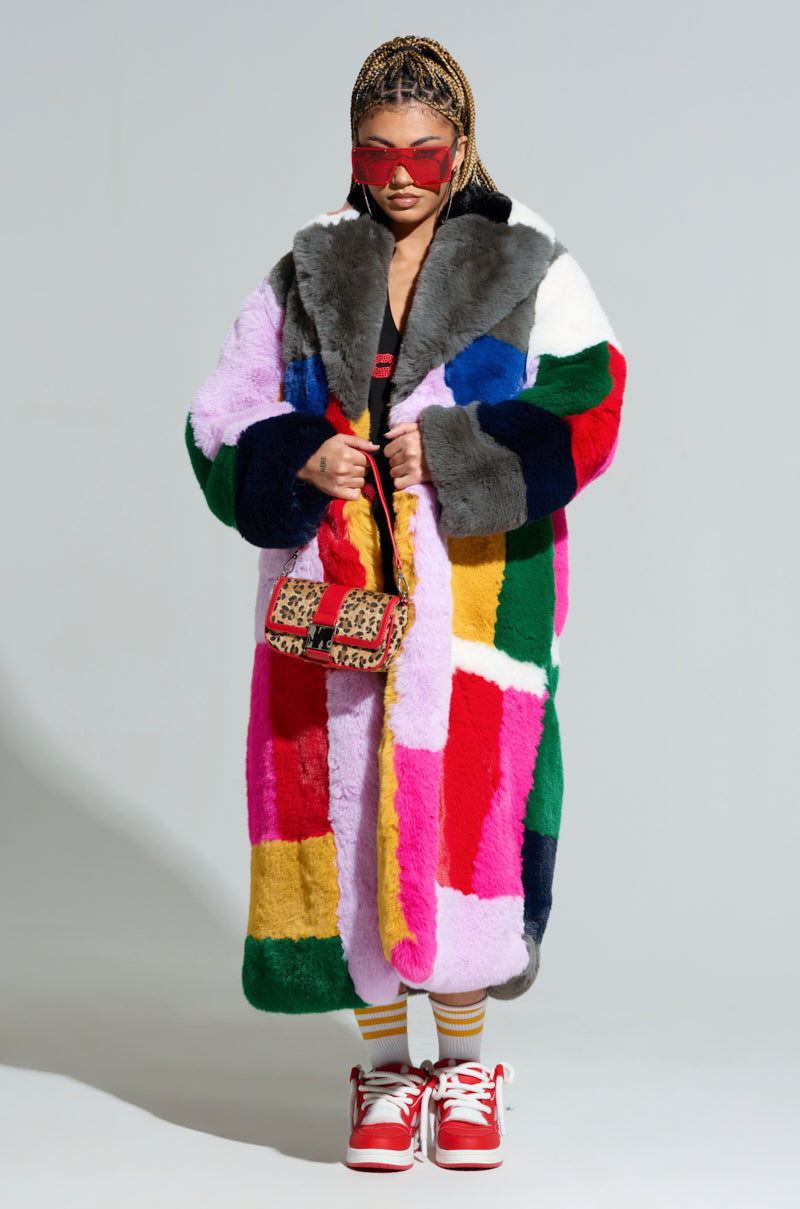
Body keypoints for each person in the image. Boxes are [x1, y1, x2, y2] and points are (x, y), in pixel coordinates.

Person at [186, 34, 626, 1171]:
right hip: (330, 594)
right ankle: (385, 1070)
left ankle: (464, 1067)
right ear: (351, 151)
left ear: (460, 148)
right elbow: (216, 416)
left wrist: (460, 449)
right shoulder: (303, 270)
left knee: (468, 811)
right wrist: (298, 456)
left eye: (423, 152)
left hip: (475, 599)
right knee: (345, 811)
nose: (398, 174)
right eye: (377, 151)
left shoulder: (528, 264)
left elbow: (592, 400)